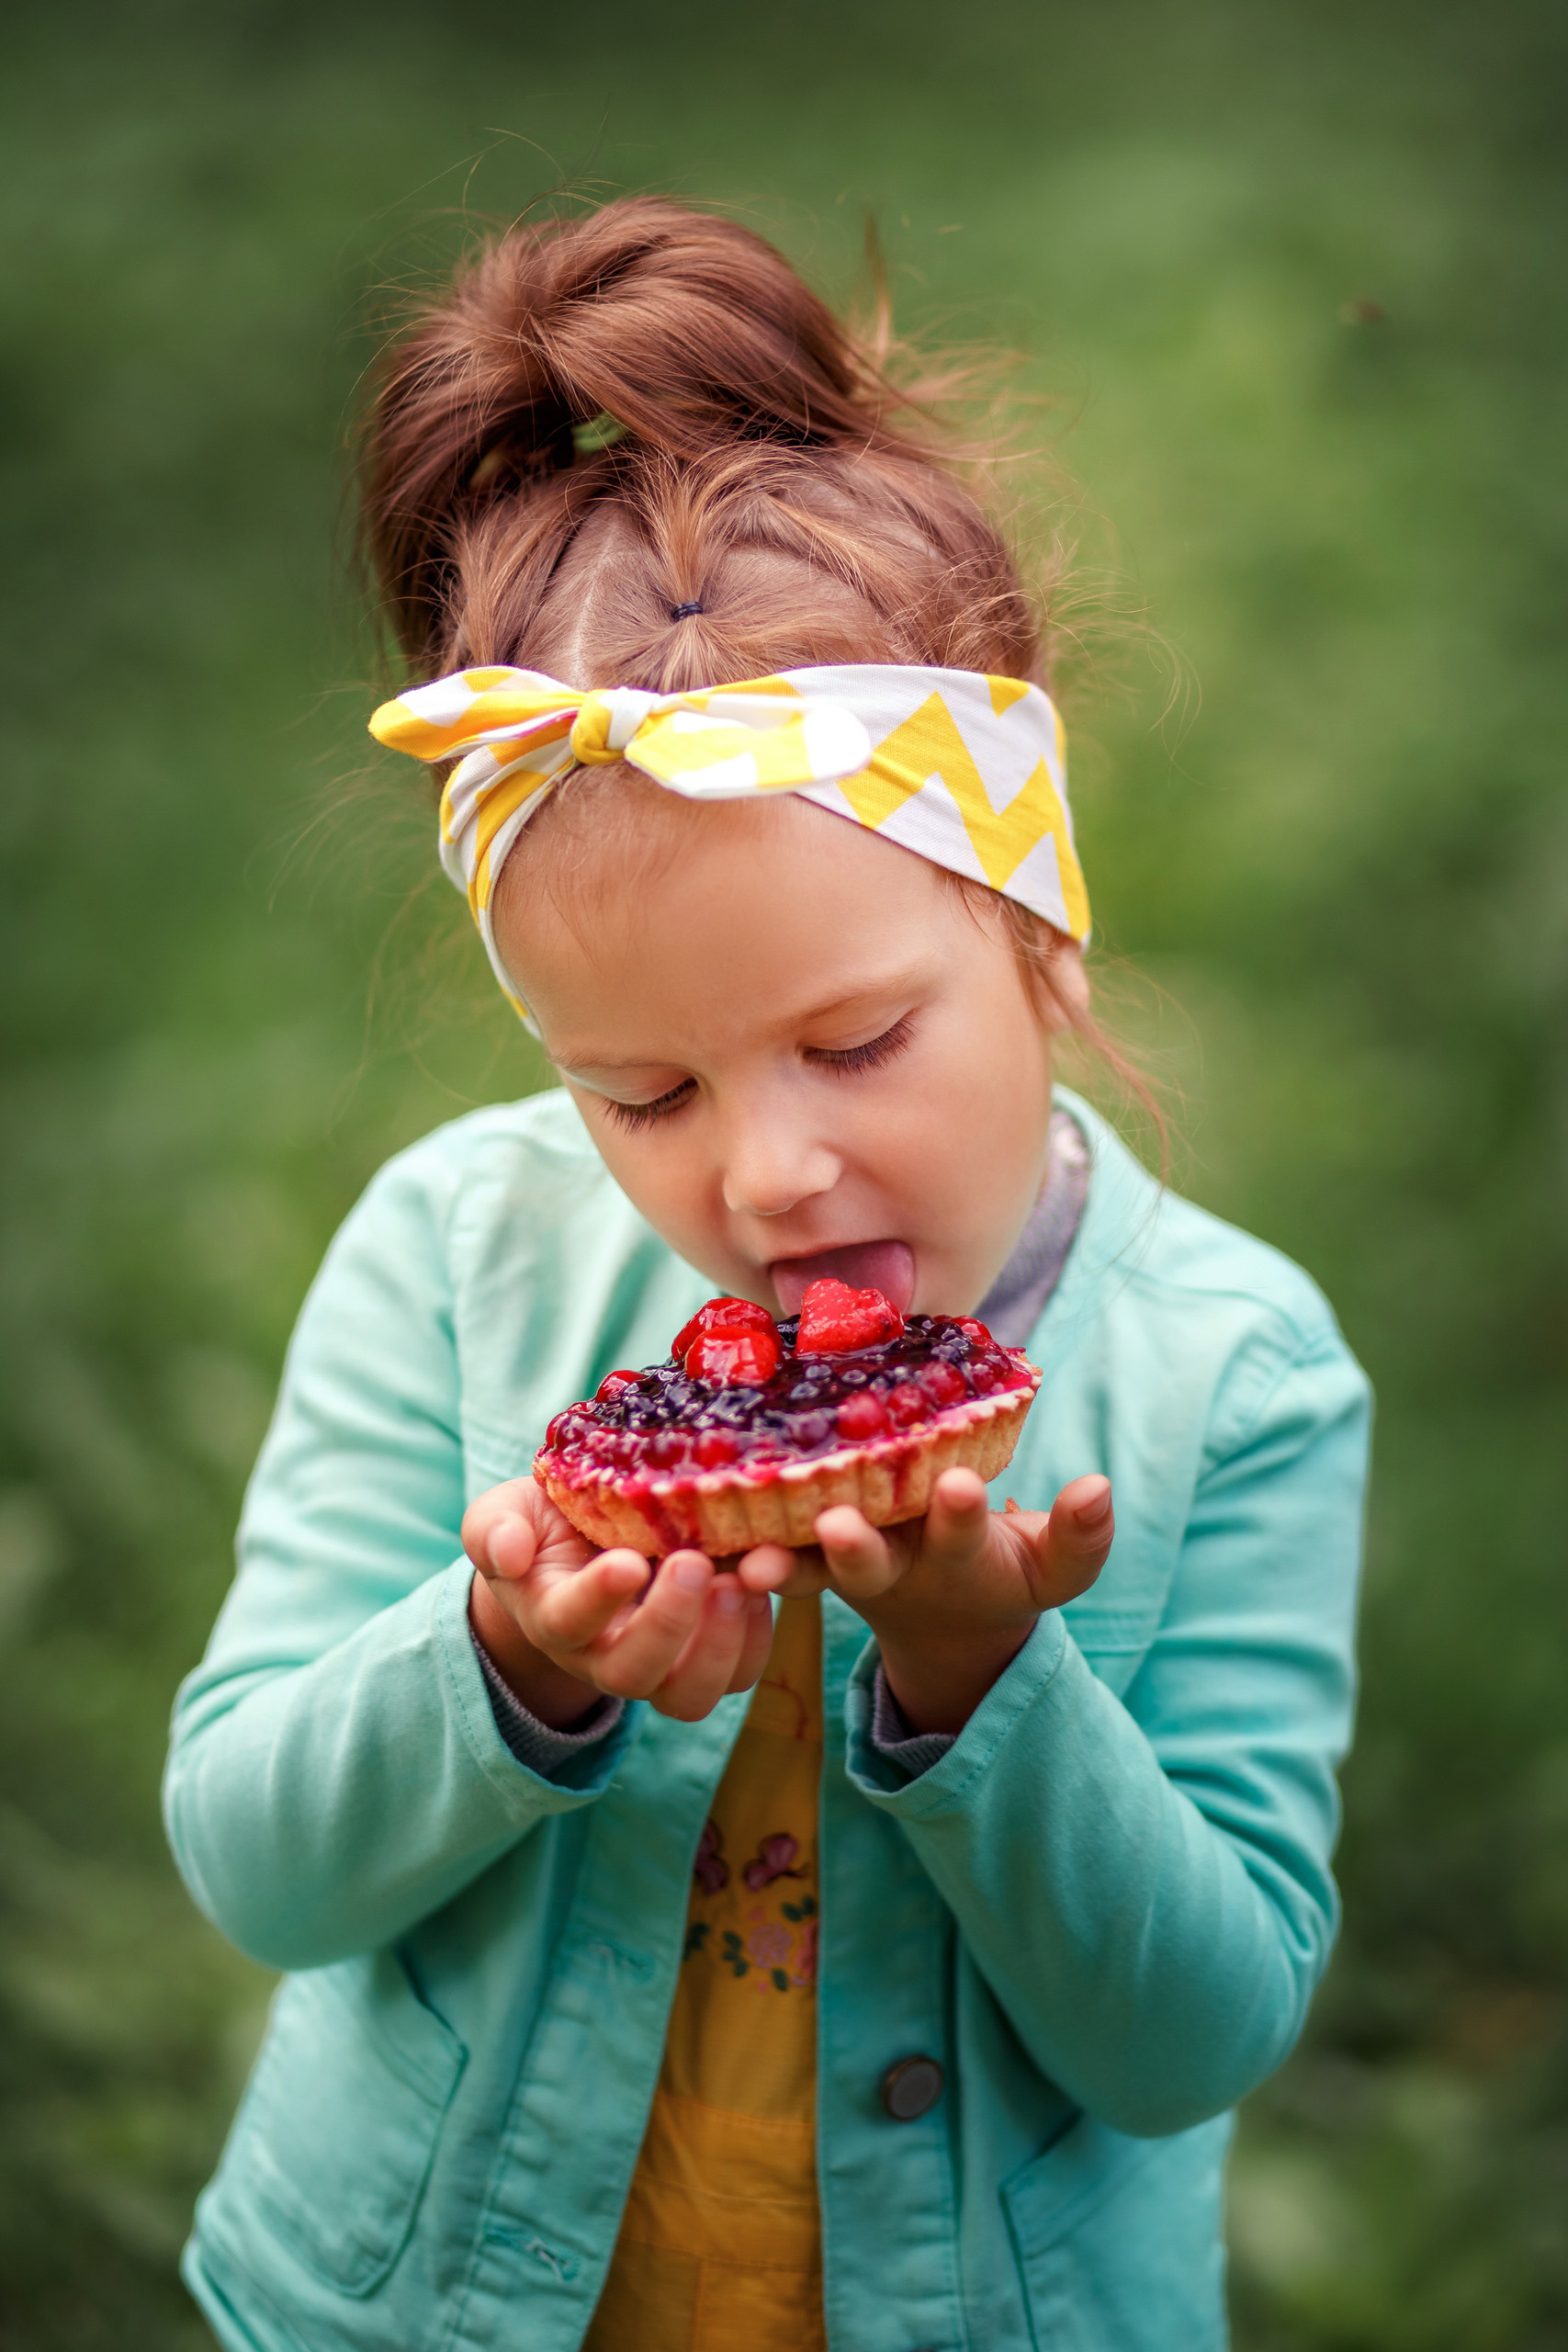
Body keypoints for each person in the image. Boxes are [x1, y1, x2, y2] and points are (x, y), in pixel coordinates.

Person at [164, 197, 1370, 2352]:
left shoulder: (1238, 1375)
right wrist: (502, 1664)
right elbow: (257, 1861)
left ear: (1035, 926)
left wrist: (980, 1683)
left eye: (853, 1040)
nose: (769, 1168)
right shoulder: (451, 1252)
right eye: (637, 1091)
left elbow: (1192, 2034)